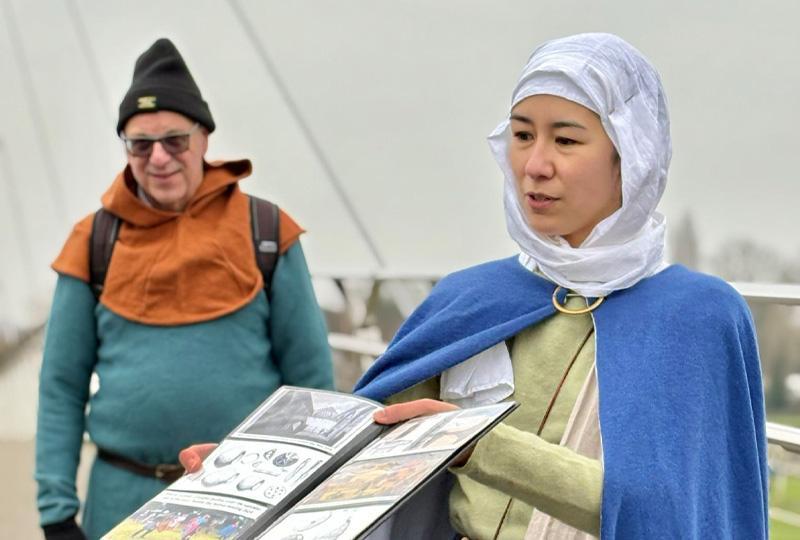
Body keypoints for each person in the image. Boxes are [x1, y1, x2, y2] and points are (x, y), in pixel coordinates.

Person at [180, 33, 768, 538]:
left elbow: (668, 511)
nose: (534, 165)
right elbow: (362, 448)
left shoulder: (698, 316)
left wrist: (472, 442)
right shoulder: (469, 300)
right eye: (521, 135)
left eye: (565, 140)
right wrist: (248, 479)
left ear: (630, 156)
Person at [35, 38, 334, 540]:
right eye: (140, 144)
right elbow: (62, 386)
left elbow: (310, 380)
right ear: (126, 149)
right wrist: (56, 510)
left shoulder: (266, 229)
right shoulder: (93, 242)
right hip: (121, 501)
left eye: (174, 140)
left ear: (203, 139)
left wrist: (314, 493)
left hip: (248, 499)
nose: (159, 158)